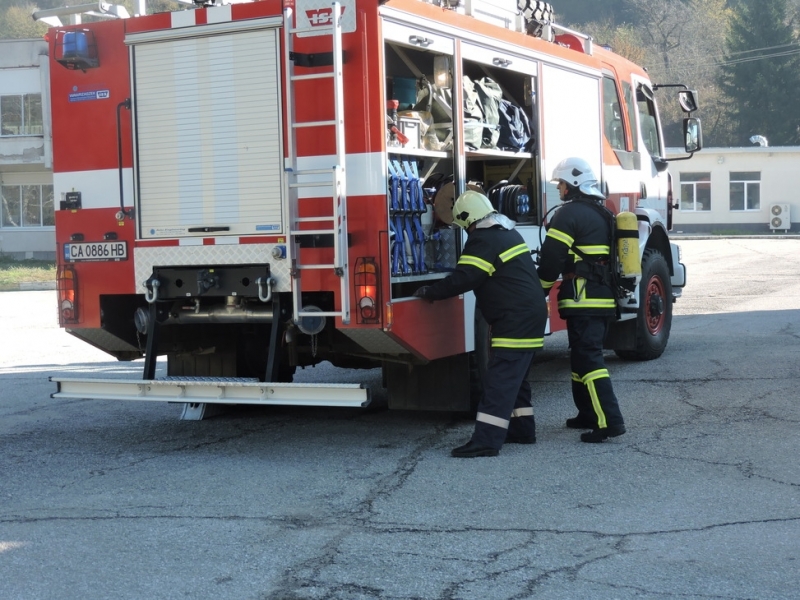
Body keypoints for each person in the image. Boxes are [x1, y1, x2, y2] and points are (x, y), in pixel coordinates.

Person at [414, 190, 547, 458]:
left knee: (500, 380)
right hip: (529, 316)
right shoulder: (507, 232)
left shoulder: (483, 240)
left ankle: (486, 440)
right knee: (516, 379)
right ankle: (522, 429)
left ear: (466, 219)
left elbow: (465, 278)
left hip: (515, 319)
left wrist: (430, 291)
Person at [537, 157, 626, 443]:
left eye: (561, 184)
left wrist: (540, 288)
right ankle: (587, 413)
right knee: (580, 356)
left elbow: (552, 259)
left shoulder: (568, 214)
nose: (559, 189)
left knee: (589, 359)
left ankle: (609, 421)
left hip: (584, 298)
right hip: (601, 298)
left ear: (573, 185)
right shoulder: (601, 212)